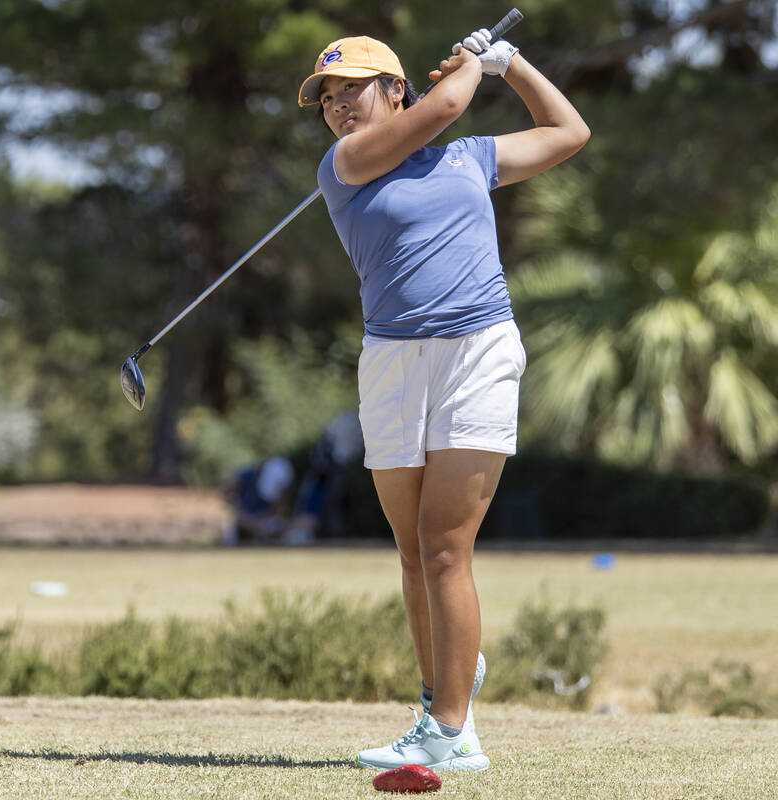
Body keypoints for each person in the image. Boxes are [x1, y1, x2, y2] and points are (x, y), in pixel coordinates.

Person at [297, 27, 589, 771]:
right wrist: (467, 69)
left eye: (350, 90)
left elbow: (568, 132)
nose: (337, 109)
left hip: (478, 353)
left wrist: (511, 62)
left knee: (444, 549)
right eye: (327, 99)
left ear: (394, 87)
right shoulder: (344, 165)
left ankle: (452, 733)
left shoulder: (470, 158)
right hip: (393, 362)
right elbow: (442, 109)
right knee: (411, 554)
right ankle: (446, 685)